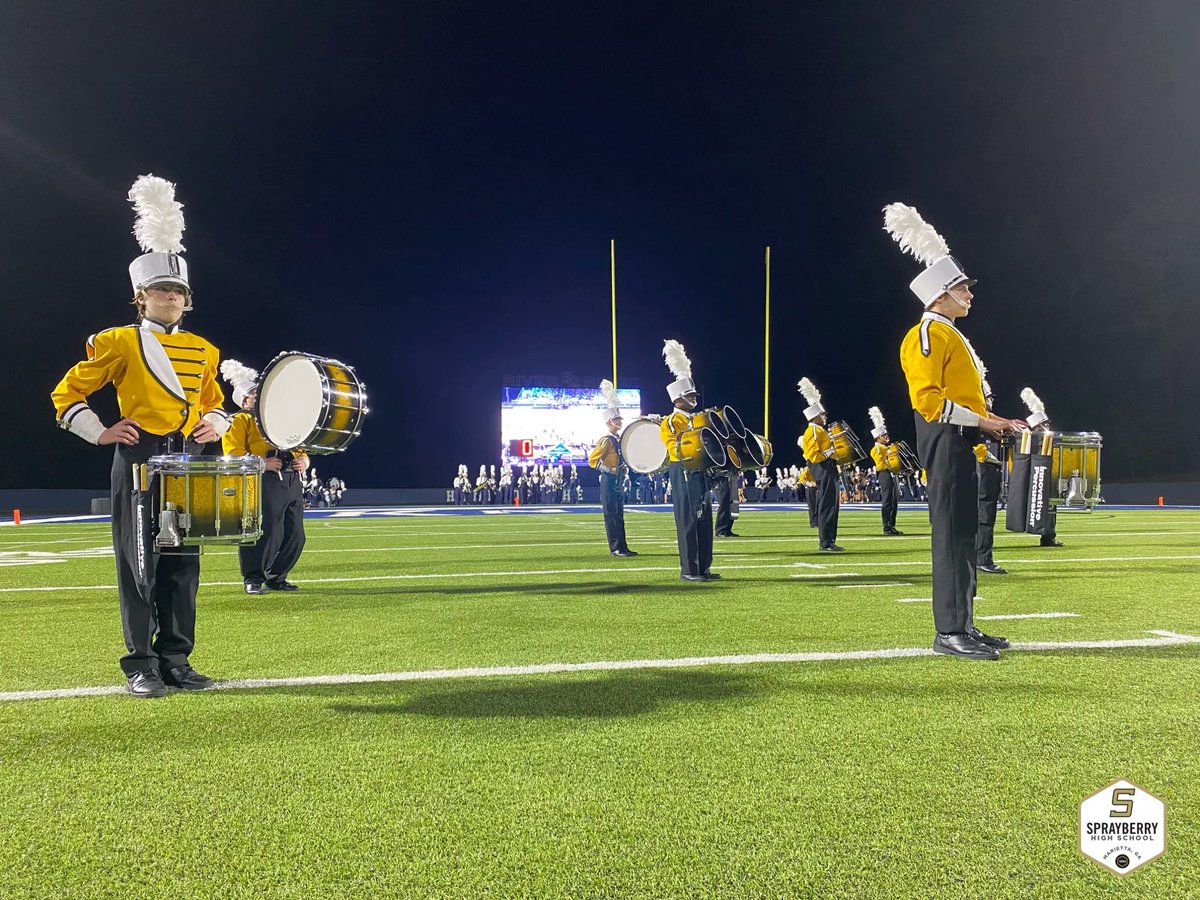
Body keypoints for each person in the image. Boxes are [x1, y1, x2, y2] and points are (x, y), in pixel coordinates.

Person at [51, 175, 230, 697]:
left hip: (186, 456)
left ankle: (177, 658)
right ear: (141, 296)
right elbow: (67, 393)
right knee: (139, 561)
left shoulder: (205, 348)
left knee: (183, 561)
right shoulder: (119, 341)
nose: (171, 297)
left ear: (187, 299)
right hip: (138, 456)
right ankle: (141, 663)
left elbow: (215, 402)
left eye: (178, 291)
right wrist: (101, 431)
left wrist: (213, 424)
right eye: (161, 290)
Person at [887, 201, 1025, 661]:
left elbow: (964, 400)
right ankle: (948, 631)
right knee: (950, 535)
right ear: (939, 295)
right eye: (962, 288)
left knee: (964, 534)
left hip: (961, 441)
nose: (969, 294)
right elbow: (929, 402)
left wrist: (993, 423)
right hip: (944, 440)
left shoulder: (949, 334)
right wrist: (986, 421)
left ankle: (963, 622)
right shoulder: (927, 335)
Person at [221, 361, 309, 594]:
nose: (259, 396)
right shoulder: (241, 420)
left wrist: (304, 461)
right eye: (253, 394)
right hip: (263, 481)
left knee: (296, 535)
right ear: (244, 401)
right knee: (265, 531)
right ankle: (253, 578)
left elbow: (299, 445)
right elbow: (233, 454)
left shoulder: (278, 418)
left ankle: (276, 576)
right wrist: (263, 463)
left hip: (291, 479)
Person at [660, 340, 718, 581]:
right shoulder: (671, 422)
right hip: (683, 470)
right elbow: (674, 448)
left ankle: (704, 566)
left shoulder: (697, 419)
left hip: (699, 472)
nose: (695, 398)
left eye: (694, 394)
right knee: (688, 520)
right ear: (678, 399)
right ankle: (689, 569)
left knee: (704, 518)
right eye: (690, 395)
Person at [588, 380, 637, 557]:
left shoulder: (617, 439)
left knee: (619, 514)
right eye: (616, 420)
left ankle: (623, 546)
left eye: (619, 420)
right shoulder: (607, 440)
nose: (619, 423)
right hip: (608, 480)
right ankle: (615, 548)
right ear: (609, 422)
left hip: (617, 480)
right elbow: (592, 460)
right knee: (611, 514)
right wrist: (610, 470)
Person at [798, 377, 844, 551]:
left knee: (832, 504)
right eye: (822, 415)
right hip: (823, 469)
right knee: (826, 504)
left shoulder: (819, 430)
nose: (824, 417)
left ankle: (830, 540)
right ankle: (825, 541)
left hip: (828, 468)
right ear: (815, 416)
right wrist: (829, 452)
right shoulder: (813, 430)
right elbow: (812, 455)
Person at [1020, 387, 1065, 547]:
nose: (1046, 426)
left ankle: (1048, 536)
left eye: (1046, 423)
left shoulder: (1051, 437)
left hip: (1048, 474)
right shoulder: (1028, 437)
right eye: (1042, 424)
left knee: (1051, 503)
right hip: (1033, 475)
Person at [975, 376, 1008, 575]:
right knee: (985, 513)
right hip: (980, 467)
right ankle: (982, 558)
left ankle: (976, 557)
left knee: (977, 514)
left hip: (974, 467)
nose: (991, 400)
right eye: (989, 396)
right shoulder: (976, 409)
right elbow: (987, 416)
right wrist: (1009, 424)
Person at [867, 407, 905, 535]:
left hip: (890, 473)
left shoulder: (885, 448)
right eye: (884, 435)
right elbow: (880, 465)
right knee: (887, 500)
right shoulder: (877, 449)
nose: (886, 437)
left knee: (894, 500)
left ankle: (892, 525)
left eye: (886, 434)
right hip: (884, 474)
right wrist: (890, 457)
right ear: (878, 437)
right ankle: (886, 527)